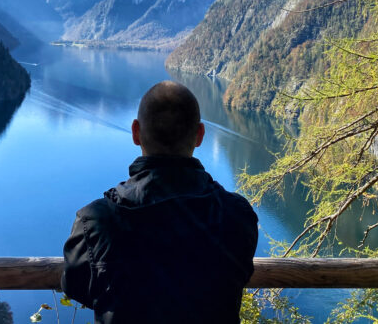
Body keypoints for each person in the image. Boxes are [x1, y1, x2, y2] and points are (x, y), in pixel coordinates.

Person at [61, 80, 259, 324]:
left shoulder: (96, 221)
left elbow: (76, 287)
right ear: (199, 135)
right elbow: (240, 274)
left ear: (135, 132)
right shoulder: (238, 216)